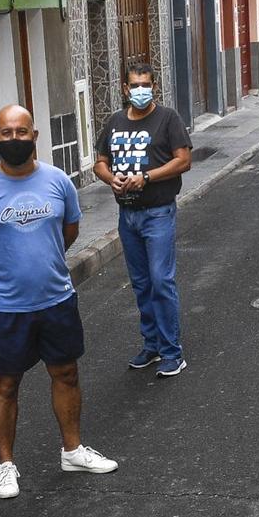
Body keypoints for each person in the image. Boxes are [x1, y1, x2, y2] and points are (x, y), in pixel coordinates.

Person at [0, 104, 119, 498]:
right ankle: (6, 466)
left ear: (35, 136)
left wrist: (44, 260)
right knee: (6, 384)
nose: (14, 139)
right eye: (6, 133)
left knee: (66, 374)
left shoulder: (58, 181)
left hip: (56, 299)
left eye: (21, 132)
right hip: (5, 308)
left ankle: (73, 450)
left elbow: (70, 228)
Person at [93, 59, 193, 378]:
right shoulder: (114, 122)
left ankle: (171, 352)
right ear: (125, 88)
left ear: (154, 87)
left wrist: (146, 177)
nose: (140, 90)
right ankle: (151, 344)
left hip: (158, 213)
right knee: (141, 283)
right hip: (128, 216)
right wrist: (112, 179)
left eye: (145, 85)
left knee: (161, 280)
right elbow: (100, 162)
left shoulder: (168, 119)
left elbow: (184, 161)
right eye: (134, 85)